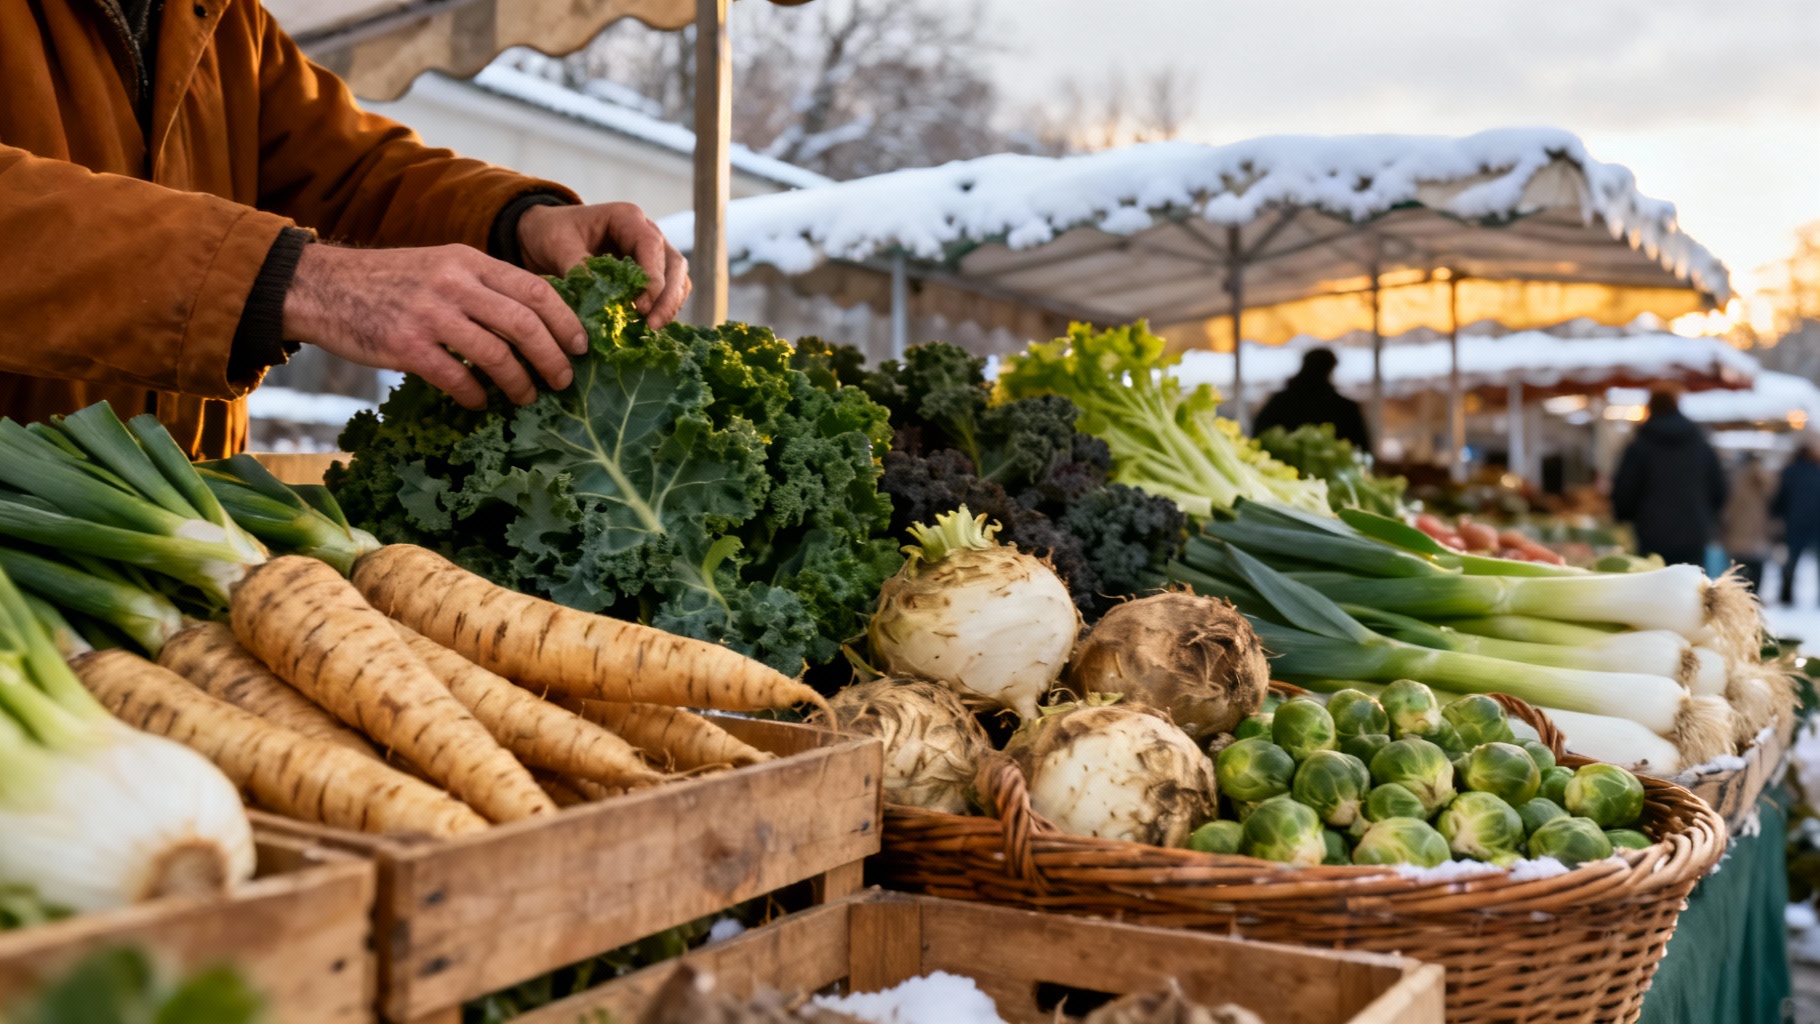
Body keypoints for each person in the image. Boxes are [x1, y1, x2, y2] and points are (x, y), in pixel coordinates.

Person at [0, 0, 691, 458]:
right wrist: (303, 281)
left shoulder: (217, 17)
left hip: (162, 520)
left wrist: (517, 221)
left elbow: (347, 170)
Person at [1610, 389, 1727, 567]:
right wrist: (1706, 517)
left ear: (1650, 407)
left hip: (1652, 534)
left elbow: (1624, 491)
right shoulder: (1700, 444)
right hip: (1694, 533)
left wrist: (1625, 517)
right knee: (1691, 589)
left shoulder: (1640, 446)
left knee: (1654, 590)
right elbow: (1720, 489)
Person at [1251, 348, 1371, 451]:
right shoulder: (1344, 407)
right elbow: (1362, 445)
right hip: (1330, 474)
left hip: (1281, 470)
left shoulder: (1280, 401)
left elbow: (1259, 433)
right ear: (1330, 370)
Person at [1771, 437, 1820, 606]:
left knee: (1790, 562)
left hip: (1795, 523)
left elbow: (1780, 497)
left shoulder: (1789, 471)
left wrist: (1776, 514)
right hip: (1816, 523)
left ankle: (1786, 595)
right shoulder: (1817, 471)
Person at [1721, 452, 1776, 592]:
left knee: (1739, 572)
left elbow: (1728, 507)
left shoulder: (1735, 478)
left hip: (1738, 532)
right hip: (1757, 532)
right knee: (1756, 571)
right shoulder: (1764, 479)